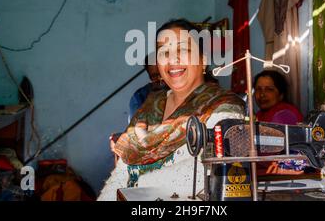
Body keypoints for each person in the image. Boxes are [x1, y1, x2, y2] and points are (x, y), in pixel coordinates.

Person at [98, 19, 245, 200]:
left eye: (182, 50)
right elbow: (123, 168)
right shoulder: (151, 105)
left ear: (203, 59)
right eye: (164, 52)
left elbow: (206, 174)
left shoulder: (223, 108)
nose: (172, 59)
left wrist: (136, 187)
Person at [128, 52, 167, 122]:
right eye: (155, 76)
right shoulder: (139, 97)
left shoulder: (180, 88)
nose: (160, 79)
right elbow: (136, 126)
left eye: (162, 74)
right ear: (149, 76)